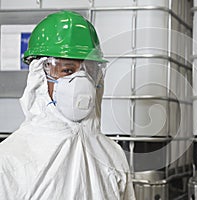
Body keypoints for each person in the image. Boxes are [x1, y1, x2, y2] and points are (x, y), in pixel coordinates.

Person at [0, 10, 136, 200]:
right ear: (40, 75)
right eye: (67, 70)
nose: (82, 81)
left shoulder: (113, 155)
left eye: (89, 71)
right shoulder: (9, 160)